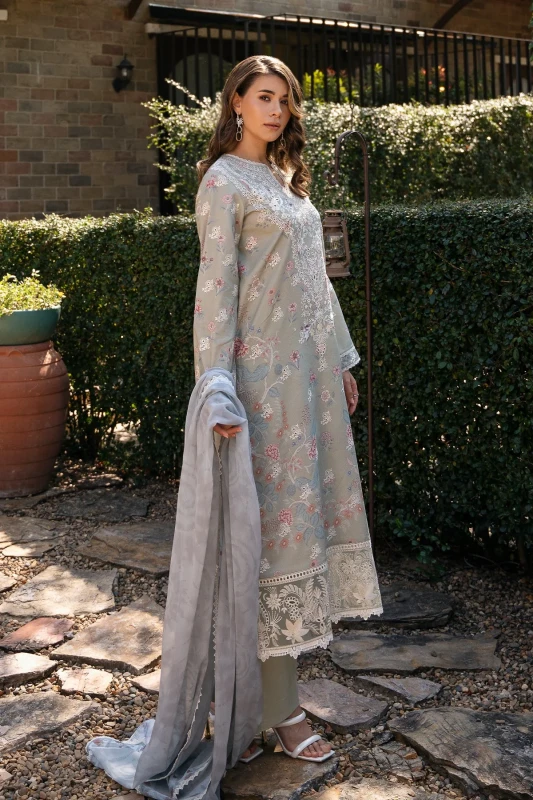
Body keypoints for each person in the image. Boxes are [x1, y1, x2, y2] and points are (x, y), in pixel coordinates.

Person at [194, 54, 382, 763]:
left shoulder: (283, 179)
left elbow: (316, 282)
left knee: (297, 535)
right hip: (261, 390)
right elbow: (215, 290)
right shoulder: (222, 181)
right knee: (269, 543)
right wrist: (216, 390)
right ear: (236, 104)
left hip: (309, 385)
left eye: (285, 100)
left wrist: (340, 361)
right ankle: (274, 712)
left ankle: (243, 710)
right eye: (264, 97)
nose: (277, 110)